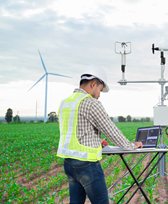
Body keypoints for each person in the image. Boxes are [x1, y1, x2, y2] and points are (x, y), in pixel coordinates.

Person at [56, 65, 143, 204]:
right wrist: (131, 145)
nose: (99, 94)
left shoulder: (64, 103)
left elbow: (72, 130)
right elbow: (111, 131)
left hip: (69, 163)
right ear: (93, 84)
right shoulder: (91, 103)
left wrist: (97, 141)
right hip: (86, 165)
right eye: (100, 90)